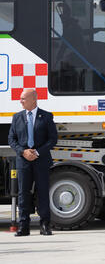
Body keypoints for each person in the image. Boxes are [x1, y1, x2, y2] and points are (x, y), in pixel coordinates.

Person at [8, 88, 58, 236]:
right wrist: (23, 151)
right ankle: (24, 226)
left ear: (33, 99)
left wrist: (37, 152)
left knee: (42, 192)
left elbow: (52, 139)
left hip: (41, 160)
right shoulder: (17, 117)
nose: (20, 101)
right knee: (23, 193)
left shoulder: (46, 117)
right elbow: (12, 139)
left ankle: (45, 225)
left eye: (23, 98)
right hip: (23, 161)